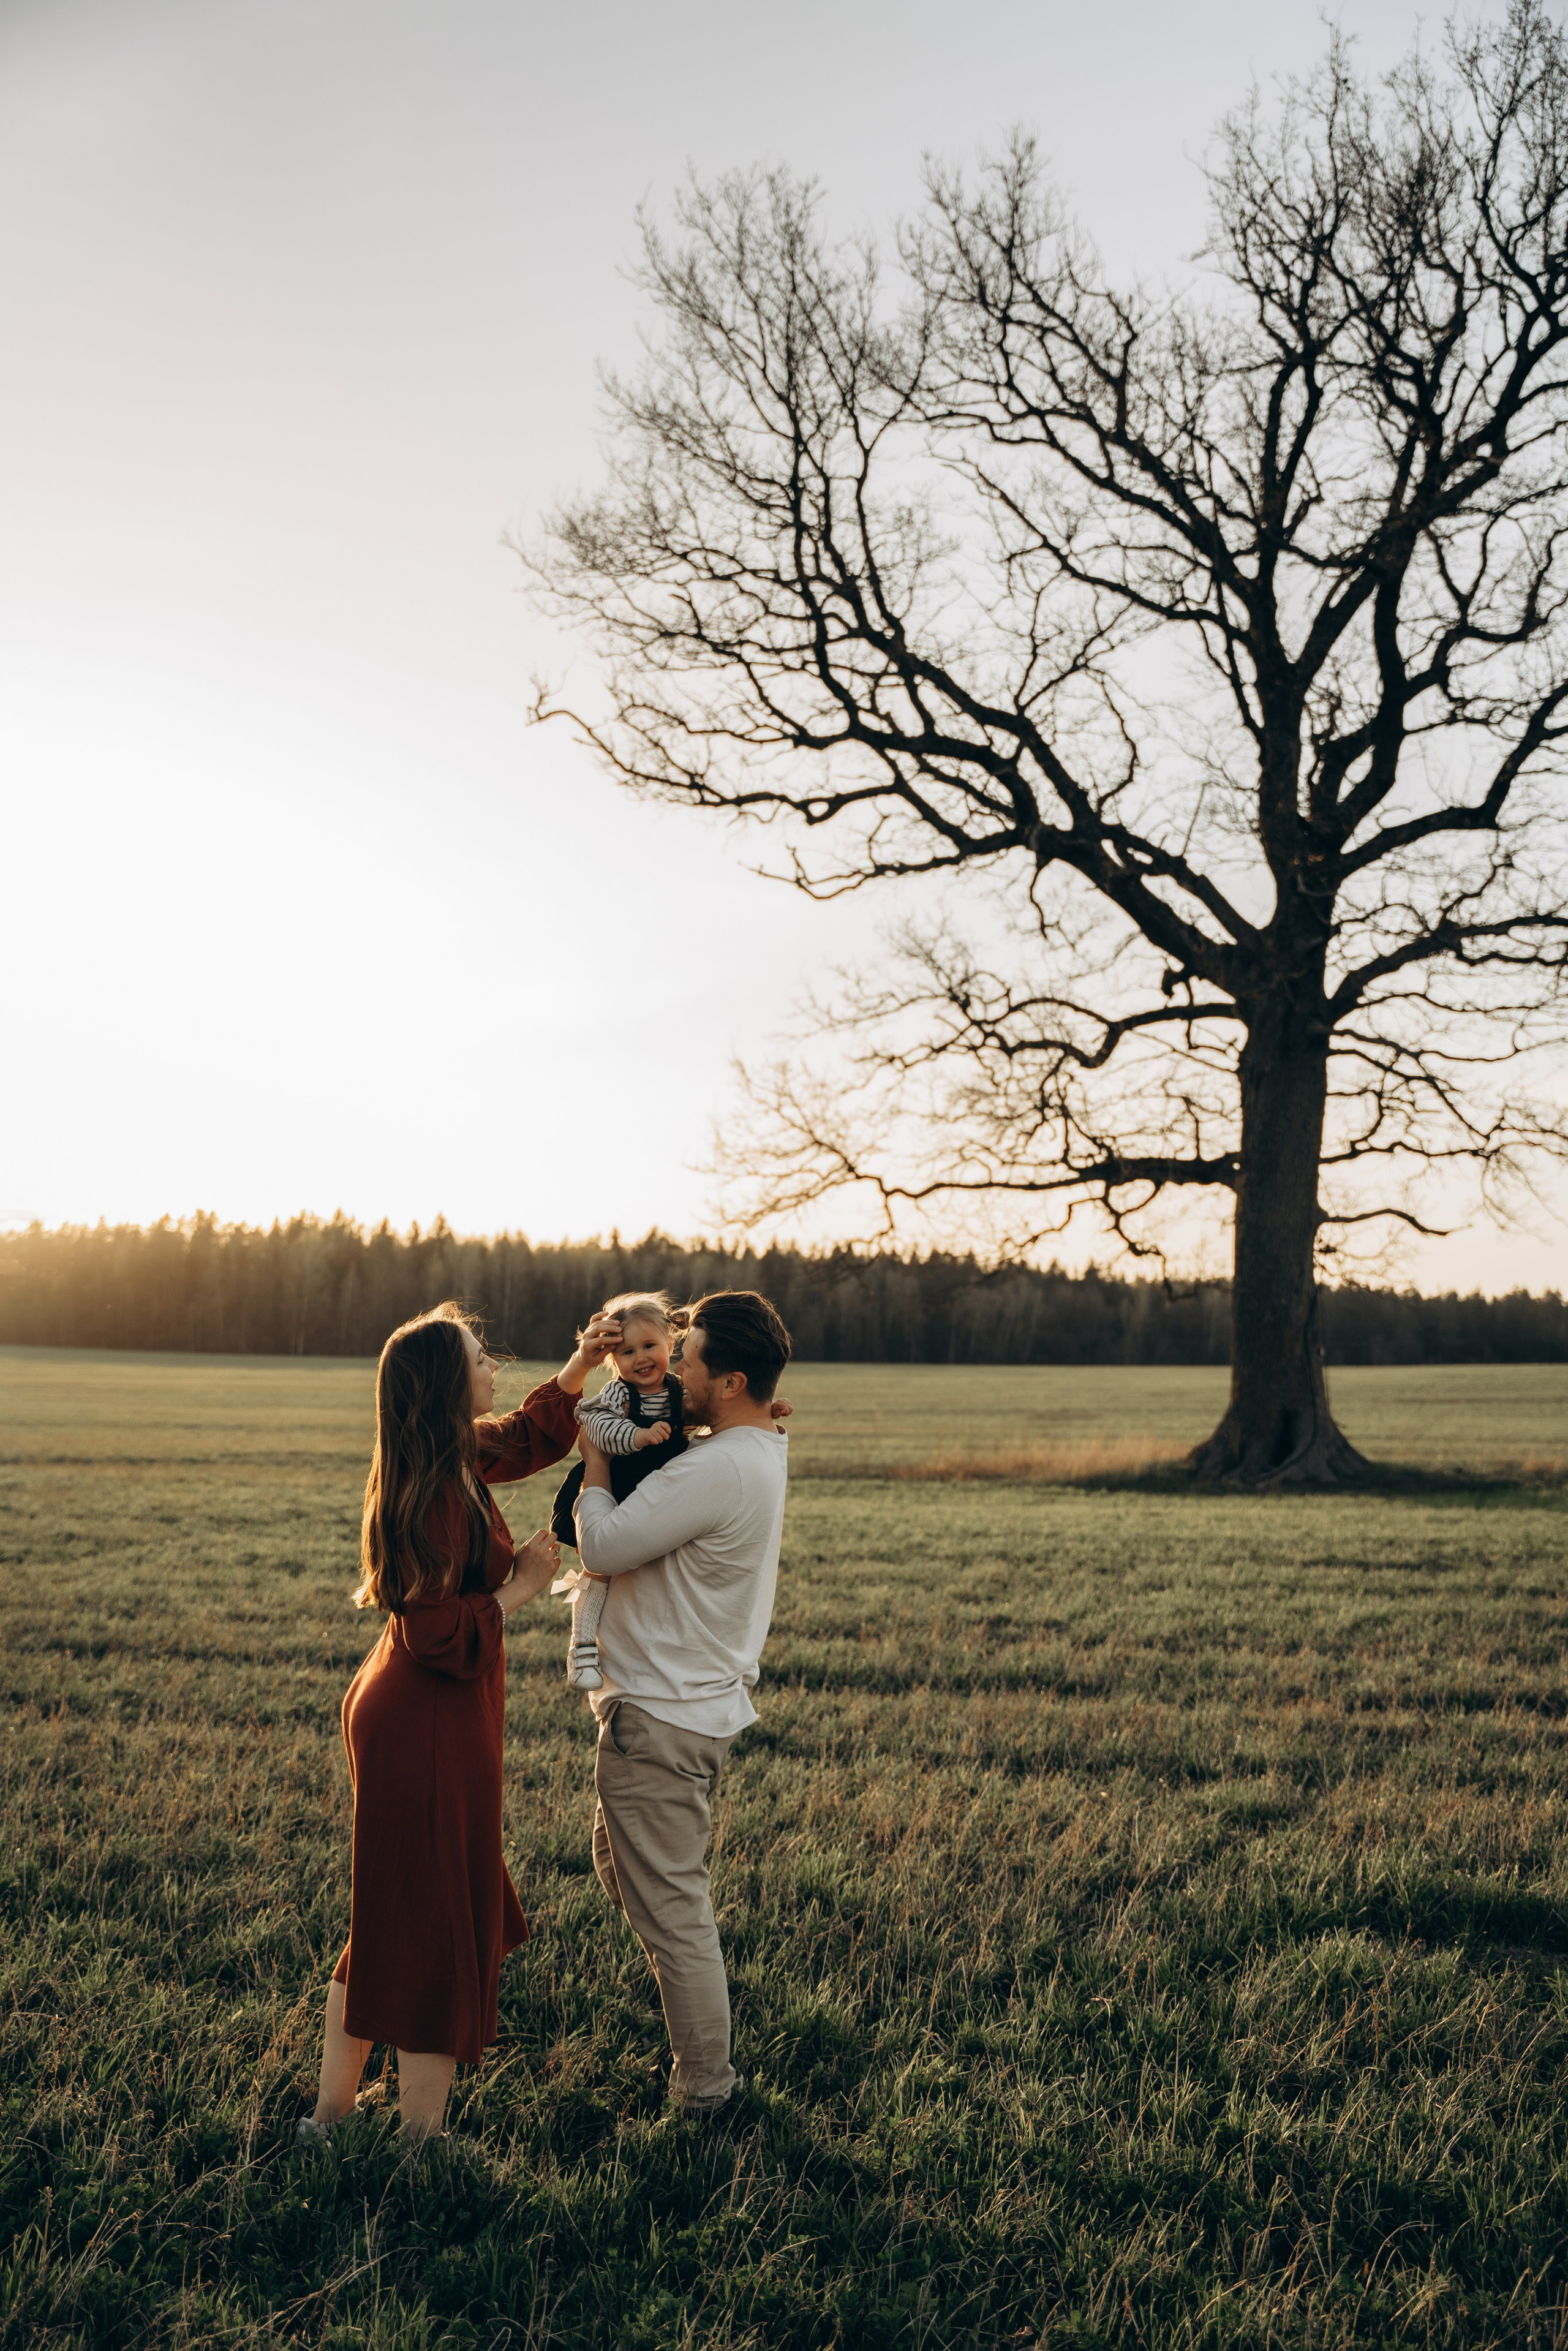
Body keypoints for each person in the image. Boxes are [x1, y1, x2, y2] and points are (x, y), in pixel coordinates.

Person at [296, 1298, 618, 2146]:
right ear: (447, 1382)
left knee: (394, 1915)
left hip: (417, 1707)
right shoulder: (438, 1486)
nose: (493, 1367)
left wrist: (582, 1365)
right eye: (480, 1357)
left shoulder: (447, 1454)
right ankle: (419, 2142)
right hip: (425, 1712)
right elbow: (437, 1630)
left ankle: (329, 2117)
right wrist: (519, 1583)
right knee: (434, 1921)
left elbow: (523, 1437)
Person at [573, 1289, 792, 2119]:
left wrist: (597, 1458)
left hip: (661, 1719)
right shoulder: (757, 1445)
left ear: (731, 1381)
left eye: (690, 1357)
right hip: (682, 1710)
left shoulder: (717, 1465)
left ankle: (707, 2093)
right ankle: (693, 2016)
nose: (675, 1369)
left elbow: (600, 1543)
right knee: (625, 1872)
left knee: (676, 1914)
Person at [550, 1292, 692, 1691]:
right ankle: (581, 1646)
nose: (641, 1358)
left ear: (670, 1344)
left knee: (650, 1569)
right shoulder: (618, 1394)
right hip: (618, 1481)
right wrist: (639, 1435)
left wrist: (765, 1410)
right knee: (600, 1568)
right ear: (613, 1360)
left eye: (650, 1346)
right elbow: (595, 1425)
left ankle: (642, 1647)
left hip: (662, 1487)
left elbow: (712, 1412)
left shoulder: (679, 1390)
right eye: (628, 1352)